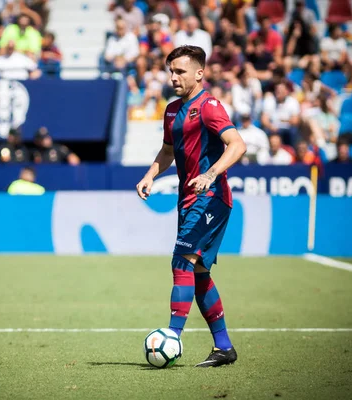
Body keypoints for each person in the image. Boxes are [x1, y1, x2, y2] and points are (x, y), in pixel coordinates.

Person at [135, 45, 246, 368]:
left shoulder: (209, 106)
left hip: (210, 198)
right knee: (198, 273)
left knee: (181, 262)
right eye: (171, 71)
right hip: (187, 199)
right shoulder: (171, 110)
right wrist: (150, 175)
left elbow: (237, 144)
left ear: (200, 73)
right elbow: (168, 151)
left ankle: (172, 336)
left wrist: (211, 174)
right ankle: (223, 348)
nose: (174, 77)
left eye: (180, 71)